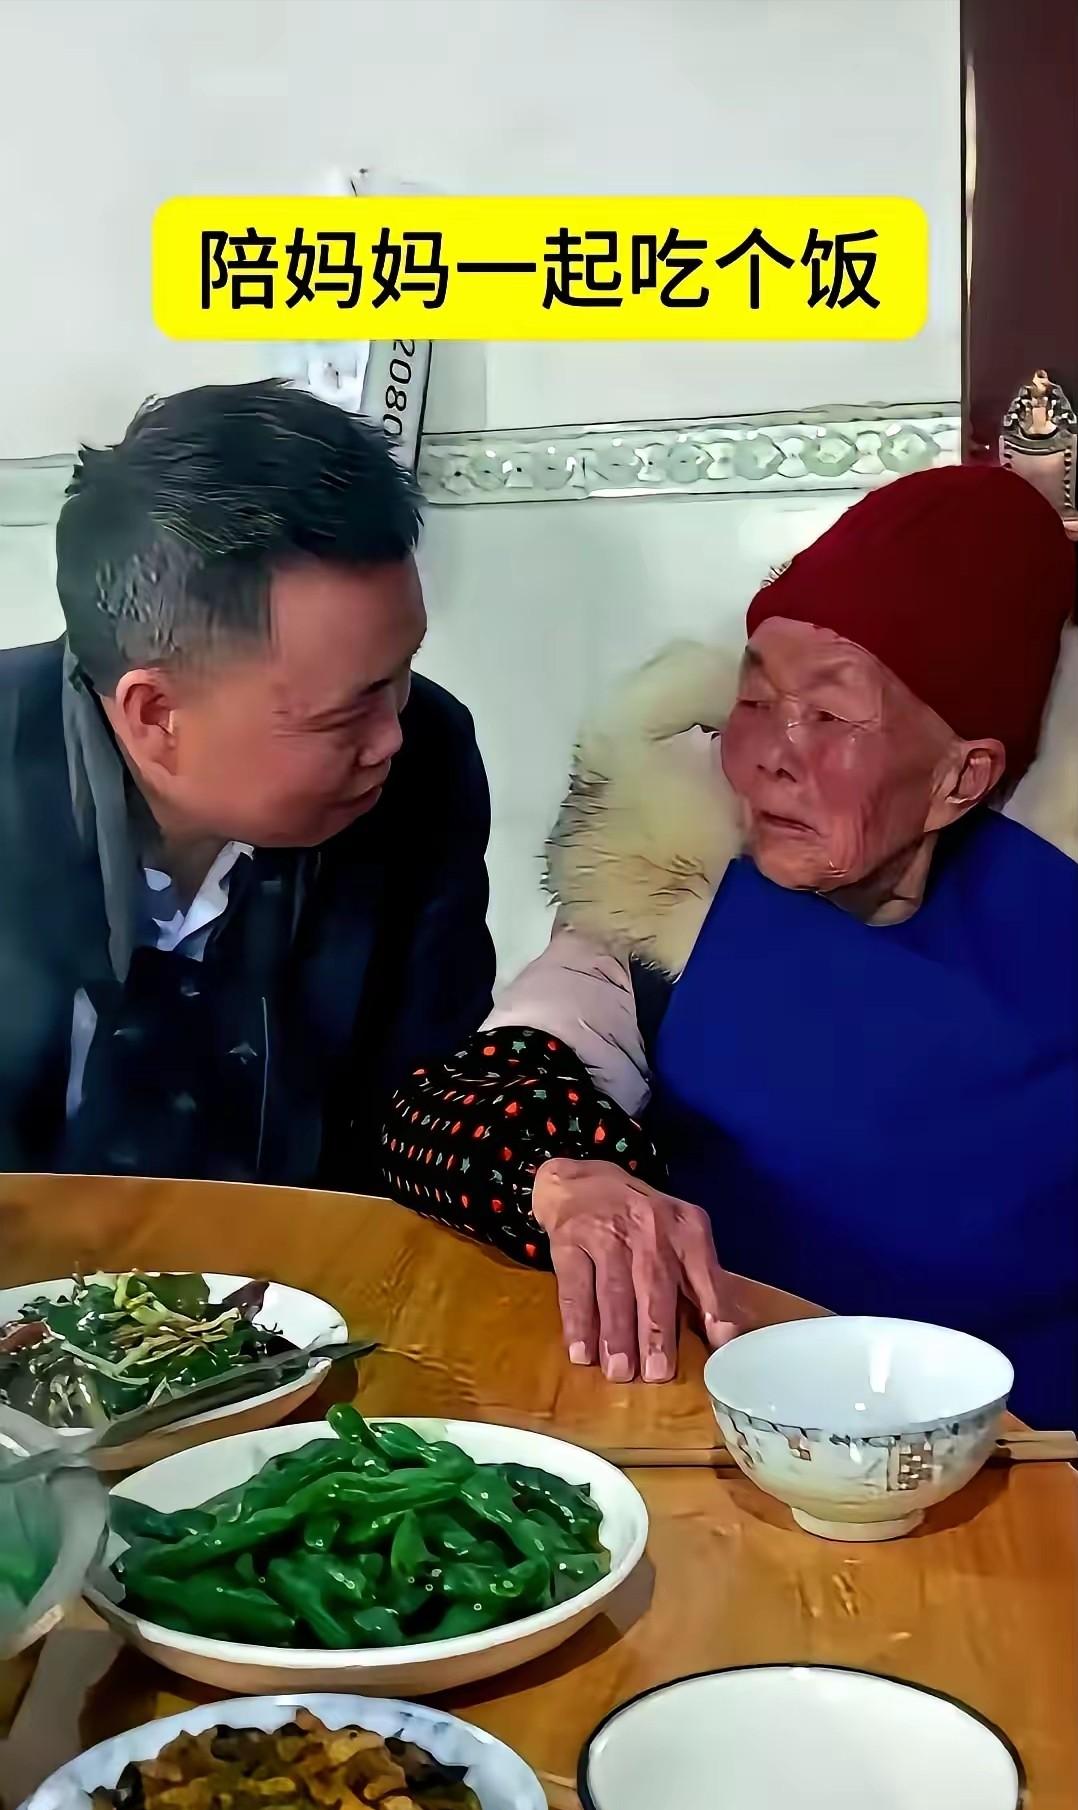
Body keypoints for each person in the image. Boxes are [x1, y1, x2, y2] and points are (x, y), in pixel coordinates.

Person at [382, 466, 1078, 1427]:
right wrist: (566, 1179)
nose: (769, 756)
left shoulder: (1050, 919)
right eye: (755, 701)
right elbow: (460, 1100)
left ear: (962, 777)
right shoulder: (675, 890)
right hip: (726, 1437)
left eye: (828, 716)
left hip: (1028, 1459)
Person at [0, 380, 494, 1186]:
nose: (390, 737)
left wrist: (538, 1172)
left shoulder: (427, 759)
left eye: (400, 673)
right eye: (345, 713)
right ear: (157, 713)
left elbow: (425, 1088)